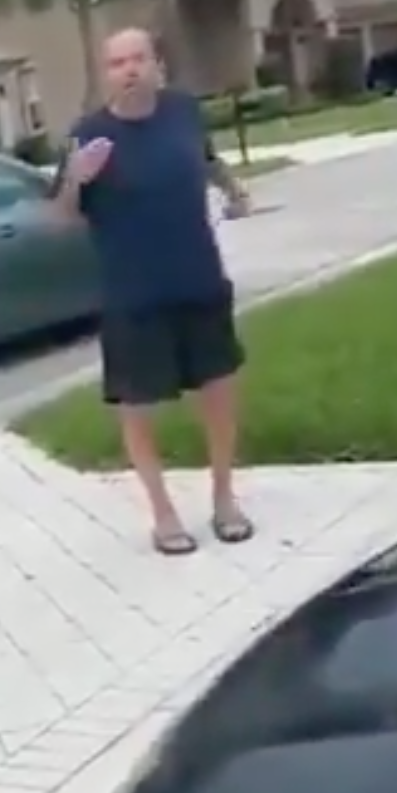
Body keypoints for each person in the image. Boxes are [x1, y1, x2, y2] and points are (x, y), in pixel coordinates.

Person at [52, 28, 256, 555]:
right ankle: (163, 516)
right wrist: (76, 179)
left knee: (219, 394)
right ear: (107, 73)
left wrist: (232, 190)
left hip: (199, 280)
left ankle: (225, 499)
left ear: (157, 64)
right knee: (137, 409)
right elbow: (61, 218)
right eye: (117, 62)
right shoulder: (89, 135)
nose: (129, 70)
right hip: (133, 297)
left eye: (138, 58)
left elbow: (206, 159)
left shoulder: (184, 112)